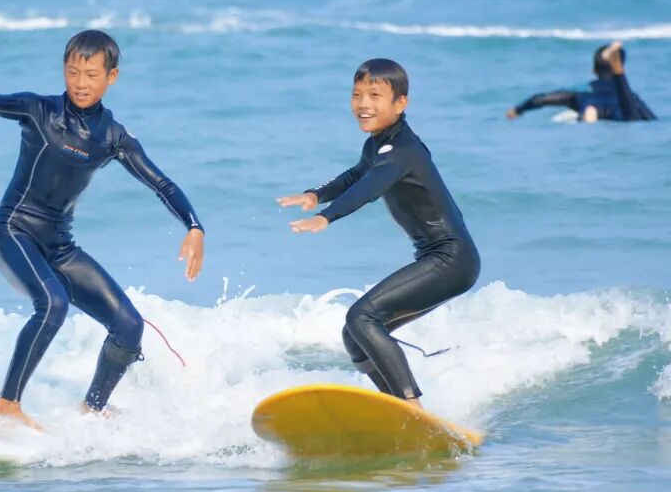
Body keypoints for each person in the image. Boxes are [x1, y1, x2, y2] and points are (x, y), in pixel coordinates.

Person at [0, 30, 205, 429]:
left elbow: (162, 184)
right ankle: (7, 405)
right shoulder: (39, 111)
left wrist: (194, 227)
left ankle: (93, 408)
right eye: (72, 72)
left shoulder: (113, 137)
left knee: (129, 326)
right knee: (52, 304)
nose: (80, 82)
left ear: (112, 77)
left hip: (60, 247)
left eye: (91, 74)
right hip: (13, 231)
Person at [277, 59, 479, 409]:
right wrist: (316, 194)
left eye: (374, 95)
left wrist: (328, 216)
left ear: (400, 103)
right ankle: (397, 409)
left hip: (451, 259)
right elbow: (356, 175)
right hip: (439, 259)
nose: (363, 104)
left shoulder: (403, 151)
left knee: (362, 317)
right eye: (357, 95)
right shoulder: (378, 145)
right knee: (354, 335)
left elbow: (369, 187)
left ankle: (411, 407)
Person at [506, 41, 656, 122]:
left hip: (592, 108)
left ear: (594, 71)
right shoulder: (633, 96)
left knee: (590, 111)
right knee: (630, 115)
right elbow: (652, 120)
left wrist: (517, 110)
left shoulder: (582, 91)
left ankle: (589, 116)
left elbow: (541, 99)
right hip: (626, 108)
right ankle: (619, 73)